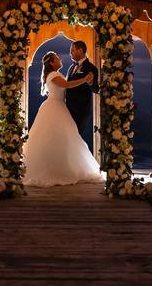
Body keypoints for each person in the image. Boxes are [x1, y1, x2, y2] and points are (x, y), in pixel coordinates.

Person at [22, 51, 103, 186]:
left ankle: (58, 166)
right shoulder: (53, 75)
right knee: (57, 138)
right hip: (54, 107)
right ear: (52, 63)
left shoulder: (54, 74)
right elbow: (66, 85)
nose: (60, 59)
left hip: (59, 106)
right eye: (57, 58)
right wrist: (84, 79)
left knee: (63, 138)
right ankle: (54, 169)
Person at [65, 40, 98, 150]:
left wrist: (90, 82)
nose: (70, 53)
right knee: (68, 139)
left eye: (72, 51)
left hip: (81, 110)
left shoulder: (91, 68)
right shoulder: (71, 68)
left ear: (80, 50)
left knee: (76, 138)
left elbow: (96, 88)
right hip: (68, 110)